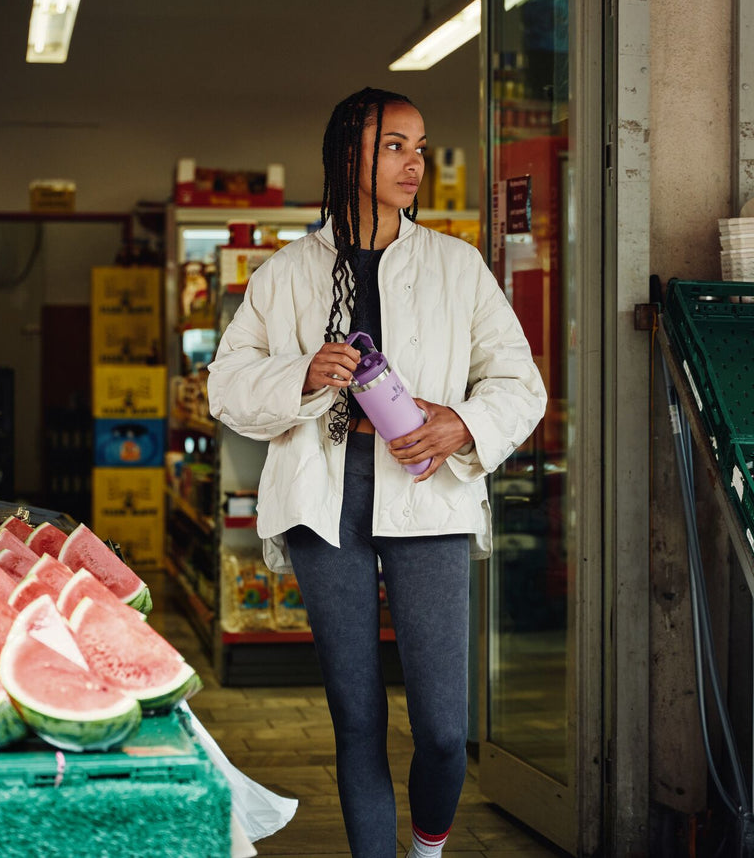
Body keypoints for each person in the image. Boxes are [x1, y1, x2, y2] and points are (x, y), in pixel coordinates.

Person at [206, 87, 546, 858]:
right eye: (394, 145)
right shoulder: (287, 272)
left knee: (443, 727)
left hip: (430, 497)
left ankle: (427, 847)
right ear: (346, 155)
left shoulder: (457, 267)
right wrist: (300, 373)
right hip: (325, 502)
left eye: (419, 146)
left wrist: (460, 423)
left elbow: (520, 384)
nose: (413, 162)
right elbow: (226, 382)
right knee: (355, 714)